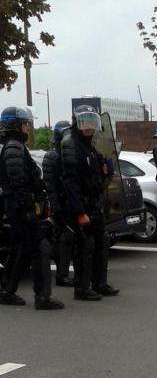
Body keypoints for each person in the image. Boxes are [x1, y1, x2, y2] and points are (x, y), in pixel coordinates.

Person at [0, 106, 64, 310]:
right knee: (40, 247)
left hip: (17, 204)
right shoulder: (13, 147)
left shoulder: (13, 145)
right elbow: (17, 179)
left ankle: (7, 291)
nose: (28, 128)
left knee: (21, 248)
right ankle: (42, 297)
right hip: (19, 205)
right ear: (16, 125)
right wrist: (28, 205)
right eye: (26, 124)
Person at [61, 105, 119, 300]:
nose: (88, 126)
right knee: (85, 247)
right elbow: (71, 181)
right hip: (81, 205)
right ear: (77, 122)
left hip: (93, 203)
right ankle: (82, 288)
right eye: (84, 121)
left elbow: (95, 171)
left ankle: (99, 283)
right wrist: (79, 211)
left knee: (101, 242)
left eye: (91, 122)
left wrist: (105, 168)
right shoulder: (71, 143)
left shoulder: (88, 145)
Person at [43, 120, 75, 287]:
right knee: (63, 239)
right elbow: (50, 186)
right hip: (60, 205)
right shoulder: (52, 156)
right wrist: (57, 208)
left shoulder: (68, 154)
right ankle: (61, 275)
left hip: (71, 203)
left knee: (71, 240)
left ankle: (69, 273)